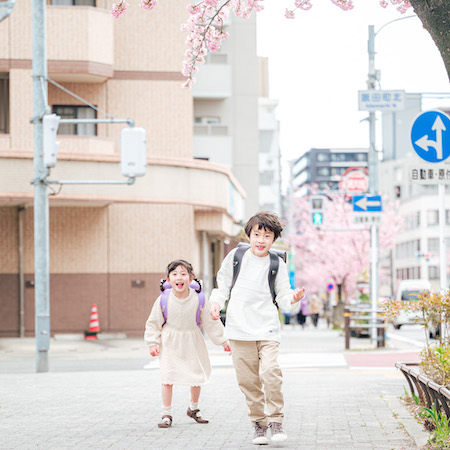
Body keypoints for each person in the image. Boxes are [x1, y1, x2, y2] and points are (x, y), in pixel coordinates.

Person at [209, 211, 305, 445]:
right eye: (257, 234)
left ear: (274, 239)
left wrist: (293, 299)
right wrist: (215, 303)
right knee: (248, 381)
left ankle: (276, 421)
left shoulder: (276, 263)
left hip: (267, 328)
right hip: (239, 329)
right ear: (249, 235)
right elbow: (222, 286)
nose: (261, 240)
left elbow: (282, 296)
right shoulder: (236, 256)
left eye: (267, 235)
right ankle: (259, 424)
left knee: (270, 372)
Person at [144, 259, 231, 428]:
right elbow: (153, 322)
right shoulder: (163, 299)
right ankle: (166, 413)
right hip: (170, 342)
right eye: (175, 274)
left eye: (183, 274)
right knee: (167, 377)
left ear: (191, 279)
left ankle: (194, 409)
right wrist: (152, 342)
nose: (179, 277)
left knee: (196, 376)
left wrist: (223, 341)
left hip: (192, 340)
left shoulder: (199, 299)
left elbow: (211, 322)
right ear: (168, 280)